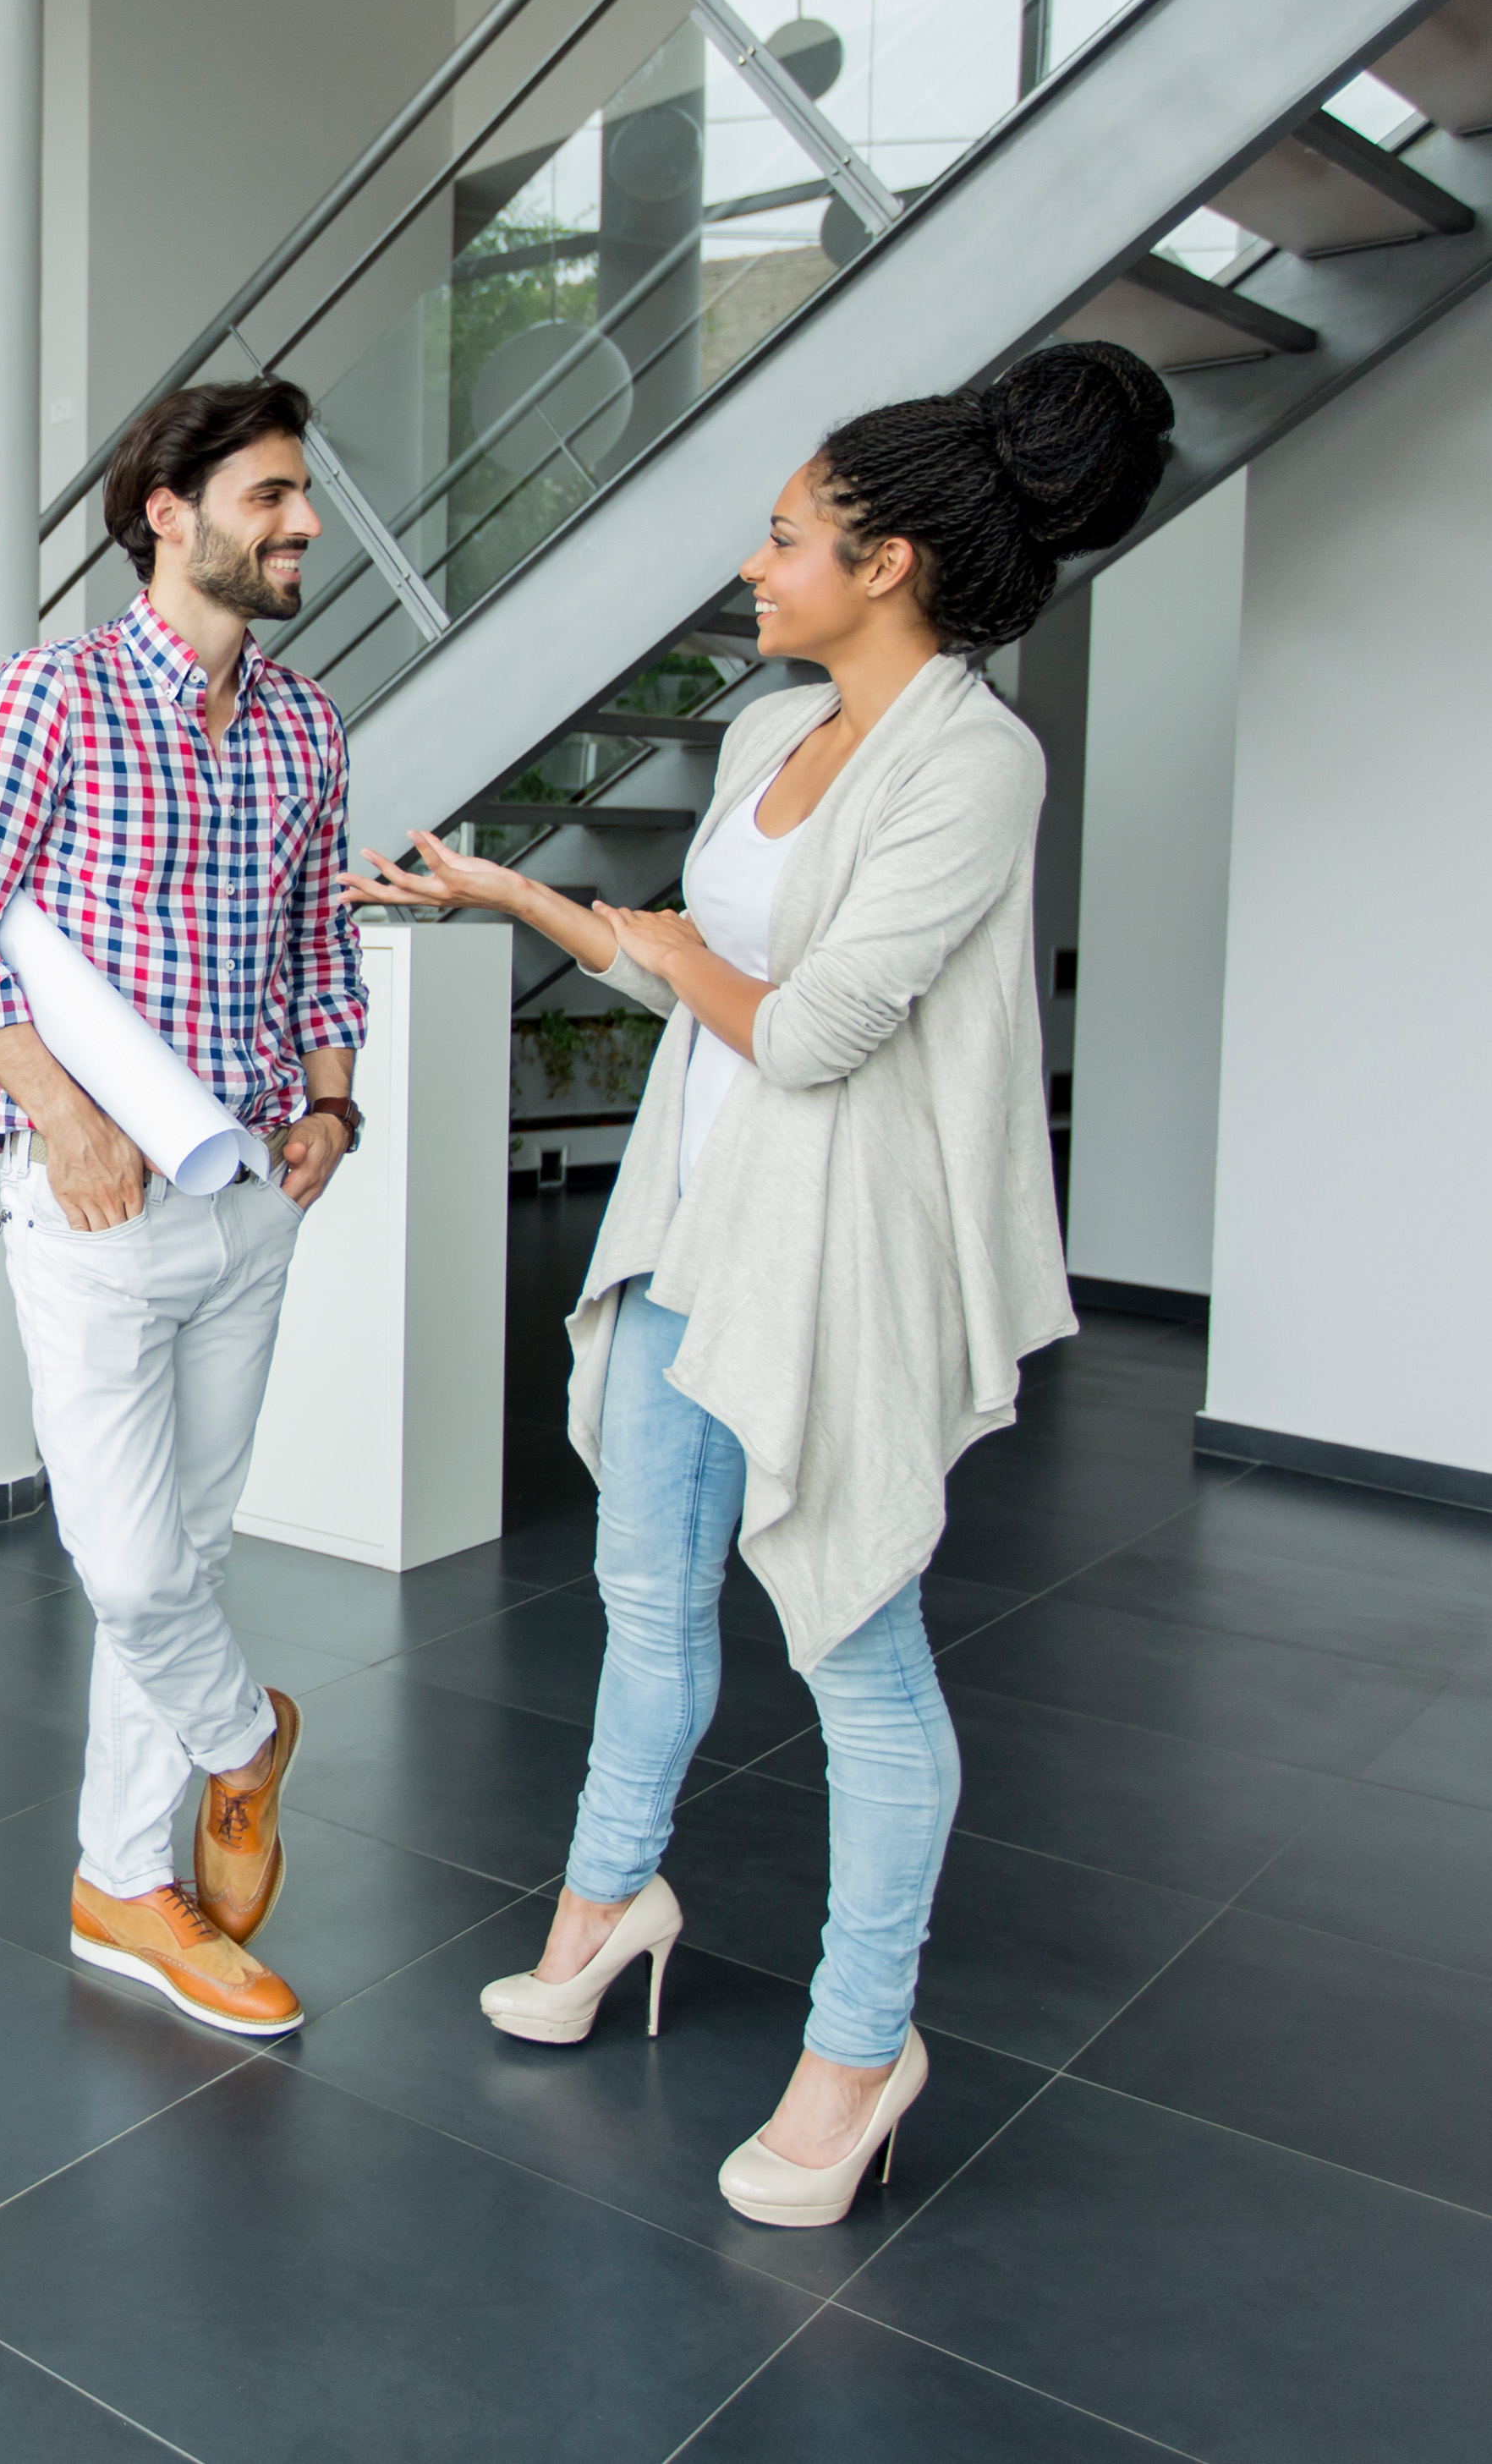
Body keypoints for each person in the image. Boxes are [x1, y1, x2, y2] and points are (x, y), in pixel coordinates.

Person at [347, 340, 1174, 2226]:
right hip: (679, 1228)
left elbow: (808, 1036)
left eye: (788, 534)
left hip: (828, 1251)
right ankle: (602, 1903)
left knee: (853, 1648)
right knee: (643, 1592)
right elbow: (702, 982)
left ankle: (859, 2043)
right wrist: (522, 903)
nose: (754, 561)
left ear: (884, 563)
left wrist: (670, 956)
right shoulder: (751, 741)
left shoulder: (975, 760)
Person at [0, 375, 367, 2043]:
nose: (301, 522)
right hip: (92, 1202)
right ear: (164, 513)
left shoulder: (308, 725)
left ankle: (122, 1880)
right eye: (267, 496)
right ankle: (241, 1743)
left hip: (254, 1188)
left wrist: (329, 1102)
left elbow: (322, 942)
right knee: (122, 1553)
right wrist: (63, 1114)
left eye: (298, 494)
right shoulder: (49, 698)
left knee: (187, 1543)